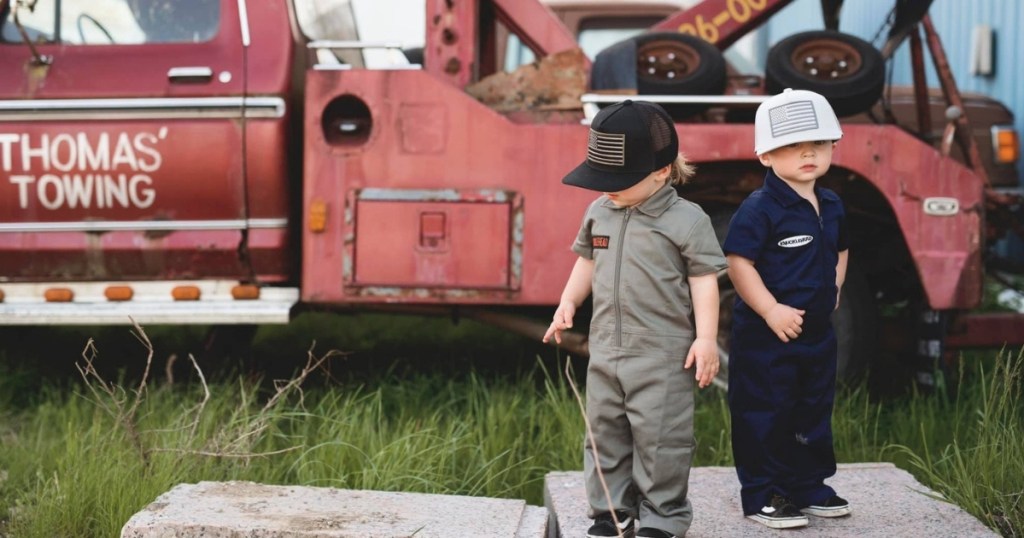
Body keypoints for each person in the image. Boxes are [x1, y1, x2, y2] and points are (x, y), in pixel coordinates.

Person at [543, 100, 726, 538]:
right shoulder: (600, 211)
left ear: (661, 171)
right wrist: (568, 302)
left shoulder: (686, 219)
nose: (606, 189)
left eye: (618, 181)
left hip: (662, 353)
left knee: (662, 439)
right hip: (606, 347)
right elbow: (586, 262)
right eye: (600, 180)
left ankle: (663, 518)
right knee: (604, 433)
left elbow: (704, 281)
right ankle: (612, 512)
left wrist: (706, 339)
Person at [723, 88, 851, 529]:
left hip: (816, 330)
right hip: (767, 335)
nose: (807, 154)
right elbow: (739, 263)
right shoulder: (759, 209)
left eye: (818, 144)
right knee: (766, 408)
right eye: (793, 146)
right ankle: (763, 492)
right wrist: (770, 309)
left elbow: (841, 250)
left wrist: (834, 287)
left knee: (811, 405)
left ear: (833, 145)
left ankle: (806, 483)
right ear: (765, 156)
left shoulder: (831, 205)